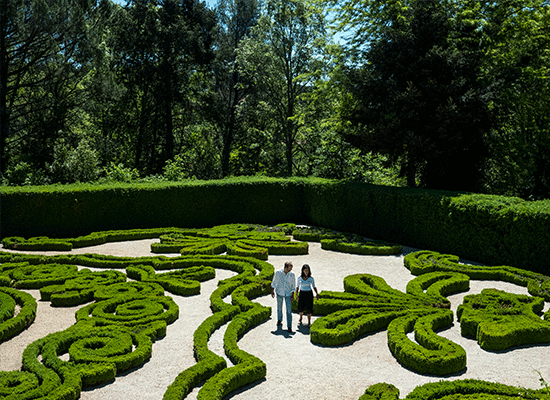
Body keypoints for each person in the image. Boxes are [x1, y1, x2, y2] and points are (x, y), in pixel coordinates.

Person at [271, 261, 296, 332]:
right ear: (285, 267)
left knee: (289, 310)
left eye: (291, 268)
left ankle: (289, 326)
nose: (290, 270)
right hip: (279, 292)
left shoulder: (292, 274)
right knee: (279, 308)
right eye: (289, 268)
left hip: (288, 294)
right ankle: (279, 320)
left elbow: (293, 285)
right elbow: (274, 282)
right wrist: (272, 290)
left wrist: (292, 295)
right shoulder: (278, 272)